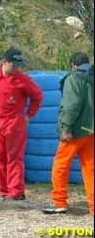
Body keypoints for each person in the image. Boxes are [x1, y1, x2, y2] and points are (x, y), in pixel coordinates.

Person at [0, 48, 43, 202]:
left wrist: (29, 115)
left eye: (20, 65)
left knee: (14, 158)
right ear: (4, 62)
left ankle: (16, 191)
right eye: (14, 65)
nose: (18, 68)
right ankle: (3, 191)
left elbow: (37, 95)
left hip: (14, 123)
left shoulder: (23, 79)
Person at [43, 52, 94, 216]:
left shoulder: (73, 78)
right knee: (90, 169)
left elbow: (72, 105)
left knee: (61, 165)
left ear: (73, 65)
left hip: (75, 132)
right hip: (91, 131)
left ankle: (59, 201)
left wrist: (66, 128)